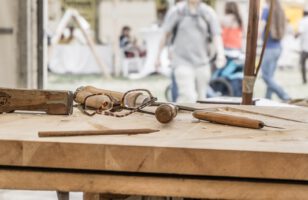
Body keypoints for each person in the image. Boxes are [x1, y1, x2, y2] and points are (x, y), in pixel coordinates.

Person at [156, 0, 225, 103]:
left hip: (202, 63)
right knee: (188, 97)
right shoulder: (177, 11)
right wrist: (158, 57)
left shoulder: (207, 12)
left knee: (202, 99)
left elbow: (216, 35)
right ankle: (183, 118)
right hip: (182, 62)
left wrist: (221, 54)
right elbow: (165, 34)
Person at [260, 0, 290, 101]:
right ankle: (267, 99)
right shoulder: (279, 9)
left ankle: (285, 95)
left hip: (269, 48)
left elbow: (261, 27)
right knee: (270, 77)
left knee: (265, 76)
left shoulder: (266, 9)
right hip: (278, 47)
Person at [298, 7, 308, 84]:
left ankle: (304, 80)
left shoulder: (302, 21)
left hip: (305, 47)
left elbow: (300, 31)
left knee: (303, 64)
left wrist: (295, 35)